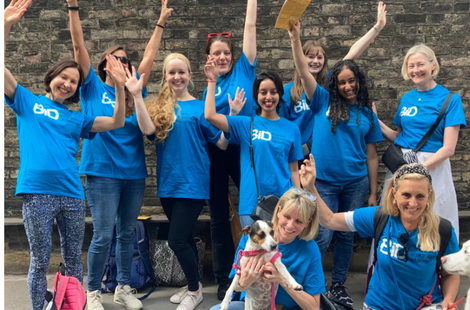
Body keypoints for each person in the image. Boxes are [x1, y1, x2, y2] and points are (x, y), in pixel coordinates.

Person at [4, 1, 136, 309]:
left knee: (73, 260)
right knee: (39, 260)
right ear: (52, 77)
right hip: (37, 193)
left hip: (73, 196)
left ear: (77, 89)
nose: (67, 83)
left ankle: (72, 305)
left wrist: (119, 87)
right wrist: (5, 24)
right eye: (63, 77)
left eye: (73, 81)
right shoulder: (27, 102)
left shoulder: (76, 118)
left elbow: (117, 121)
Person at [67, 0, 173, 309]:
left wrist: (161, 21)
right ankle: (93, 292)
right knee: (102, 235)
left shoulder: (133, 87)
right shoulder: (91, 88)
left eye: (125, 59)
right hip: (101, 174)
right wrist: (73, 7)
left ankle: (124, 287)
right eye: (113, 59)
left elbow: (151, 56)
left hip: (133, 174)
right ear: (102, 66)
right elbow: (77, 45)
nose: (120, 63)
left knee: (127, 232)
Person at [288, 20, 384, 306]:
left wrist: (373, 191)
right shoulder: (321, 100)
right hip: (323, 183)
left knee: (346, 237)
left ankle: (338, 286)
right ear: (335, 83)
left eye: (351, 81)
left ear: (358, 81)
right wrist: (296, 39)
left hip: (356, 183)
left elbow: (372, 155)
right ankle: (310, 285)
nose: (347, 86)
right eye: (342, 82)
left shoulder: (366, 112)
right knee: (321, 234)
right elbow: (304, 70)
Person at [300, 155, 461, 310]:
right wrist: (310, 187)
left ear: (429, 195)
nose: (413, 203)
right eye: (406, 195)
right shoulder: (379, 217)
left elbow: (450, 274)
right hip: (379, 305)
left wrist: (447, 301)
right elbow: (329, 220)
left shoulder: (443, 230)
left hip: (425, 305)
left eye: (420, 196)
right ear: (394, 193)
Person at [134, 53, 227, 310]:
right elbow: (148, 132)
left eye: (181, 72)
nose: (177, 77)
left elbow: (220, 143)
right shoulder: (159, 107)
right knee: (184, 239)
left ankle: (195, 291)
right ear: (165, 76)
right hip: (168, 184)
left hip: (193, 184)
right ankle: (191, 284)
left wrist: (233, 120)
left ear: (190, 76)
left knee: (175, 240)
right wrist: (135, 96)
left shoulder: (200, 108)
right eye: (172, 72)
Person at [372, 44, 466, 239]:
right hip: (402, 163)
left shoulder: (450, 99)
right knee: (395, 216)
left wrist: (419, 169)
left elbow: (449, 148)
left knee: (433, 218)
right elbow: (400, 137)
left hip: (433, 166)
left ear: (433, 65)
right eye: (411, 66)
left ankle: (436, 267)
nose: (415, 70)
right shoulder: (406, 99)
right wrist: (376, 121)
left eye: (420, 64)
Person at [279, 2, 387, 163]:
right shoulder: (288, 91)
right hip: (297, 155)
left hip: (324, 154)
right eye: (310, 56)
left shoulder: (331, 83)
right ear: (301, 58)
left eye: (320, 57)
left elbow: (352, 54)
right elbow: (282, 127)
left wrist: (377, 27)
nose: (315, 61)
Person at [201, 0, 258, 299]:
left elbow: (250, 27)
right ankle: (225, 278)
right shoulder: (207, 89)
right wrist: (233, 117)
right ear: (208, 59)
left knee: (254, 210)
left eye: (226, 53)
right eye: (216, 54)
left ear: (233, 57)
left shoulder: (244, 73)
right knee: (219, 218)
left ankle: (258, 268)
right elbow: (218, 140)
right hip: (219, 154)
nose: (222, 57)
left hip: (245, 151)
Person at [205, 62, 304, 228]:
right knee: (253, 253)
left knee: (280, 253)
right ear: (256, 95)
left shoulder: (292, 129)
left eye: (273, 92)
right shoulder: (246, 125)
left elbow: (294, 169)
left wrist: (299, 201)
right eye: (263, 92)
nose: (268, 97)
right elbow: (210, 116)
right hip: (252, 204)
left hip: (285, 203)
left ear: (280, 94)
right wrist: (211, 81)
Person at [210, 187, 325, 310]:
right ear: (279, 211)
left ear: (308, 222)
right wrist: (246, 281)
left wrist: (282, 280)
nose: (290, 225)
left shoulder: (310, 249)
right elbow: (237, 286)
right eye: (287, 216)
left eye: (299, 221)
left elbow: (314, 307)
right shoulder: (254, 236)